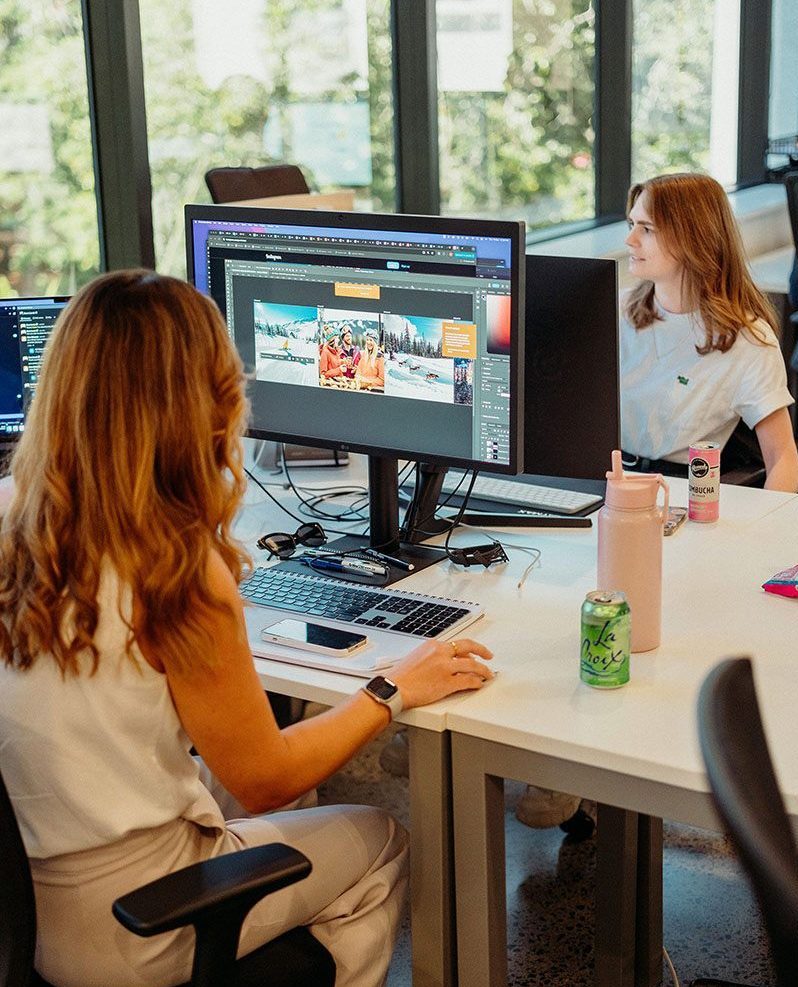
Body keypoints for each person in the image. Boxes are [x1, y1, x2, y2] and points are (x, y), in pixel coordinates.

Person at [0, 270, 494, 987]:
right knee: (381, 838)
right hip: (137, 926)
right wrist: (391, 689)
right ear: (202, 403)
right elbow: (264, 779)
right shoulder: (172, 566)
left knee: (287, 793)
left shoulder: (14, 512)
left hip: (25, 906)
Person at [621, 171, 798, 492]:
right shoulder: (617, 311)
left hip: (685, 492)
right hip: (610, 482)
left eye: (646, 229)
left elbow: (783, 457)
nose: (630, 240)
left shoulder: (748, 341)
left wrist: (766, 521)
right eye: (631, 224)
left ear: (693, 237)